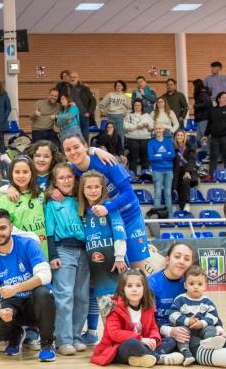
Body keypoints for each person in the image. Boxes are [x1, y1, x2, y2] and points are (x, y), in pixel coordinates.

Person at [61, 134, 149, 271]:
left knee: (137, 269)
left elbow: (130, 195)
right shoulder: (71, 171)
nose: (72, 152)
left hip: (129, 217)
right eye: (68, 150)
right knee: (111, 270)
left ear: (85, 146)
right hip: (104, 223)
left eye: (76, 147)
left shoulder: (107, 161)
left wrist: (108, 208)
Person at [0, 209, 56, 361]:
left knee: (44, 293)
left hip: (34, 302)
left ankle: (47, 344)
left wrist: (16, 288)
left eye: (3, 228)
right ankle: (15, 335)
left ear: (11, 227)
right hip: (12, 304)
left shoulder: (28, 244)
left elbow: (45, 275)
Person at [148, 242, 226, 368]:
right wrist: (168, 331)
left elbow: (205, 307)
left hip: (190, 329)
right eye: (177, 256)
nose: (181, 261)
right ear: (167, 260)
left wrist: (218, 327)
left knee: (208, 335)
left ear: (191, 264)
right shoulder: (152, 283)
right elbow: (144, 320)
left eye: (186, 258)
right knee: (187, 342)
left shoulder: (191, 282)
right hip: (162, 332)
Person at [78, 170, 128, 343]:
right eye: (88, 187)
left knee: (122, 306)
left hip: (115, 268)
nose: (93, 191)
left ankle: (126, 339)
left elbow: (119, 232)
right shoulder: (81, 213)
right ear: (82, 189)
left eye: (96, 187)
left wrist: (120, 256)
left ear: (103, 188)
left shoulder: (109, 208)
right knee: (105, 309)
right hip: (97, 273)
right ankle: (114, 340)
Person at [45, 163, 87, 356]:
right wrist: (53, 255)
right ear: (55, 182)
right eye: (61, 178)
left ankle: (77, 336)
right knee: (64, 296)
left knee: (81, 296)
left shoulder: (81, 199)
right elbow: (50, 232)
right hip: (63, 250)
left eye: (69, 176)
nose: (66, 181)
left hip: (84, 251)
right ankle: (63, 340)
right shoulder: (52, 203)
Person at [90, 270, 165, 367]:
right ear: (122, 289)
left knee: (169, 340)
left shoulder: (148, 307)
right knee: (132, 343)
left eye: (138, 286)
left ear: (144, 288)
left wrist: (154, 339)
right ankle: (160, 358)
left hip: (143, 344)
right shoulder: (114, 307)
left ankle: (139, 359)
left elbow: (153, 327)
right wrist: (141, 339)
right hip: (117, 348)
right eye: (129, 286)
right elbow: (115, 333)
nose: (134, 289)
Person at [168, 265, 226, 366]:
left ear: (205, 286)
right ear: (185, 285)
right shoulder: (180, 299)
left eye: (200, 284)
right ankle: (186, 353)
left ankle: (210, 343)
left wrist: (202, 323)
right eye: (191, 283)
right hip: (187, 330)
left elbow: (213, 316)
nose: (195, 286)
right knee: (182, 332)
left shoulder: (208, 301)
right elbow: (173, 315)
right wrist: (187, 321)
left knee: (211, 328)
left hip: (201, 329)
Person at [0, 158, 47, 255]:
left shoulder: (41, 194)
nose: (21, 176)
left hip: (43, 250)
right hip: (20, 252)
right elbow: (5, 228)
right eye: (17, 172)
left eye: (25, 172)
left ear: (32, 173)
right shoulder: (3, 200)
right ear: (11, 173)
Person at [149, 123, 176, 214]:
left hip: (169, 170)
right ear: (154, 130)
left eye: (160, 129)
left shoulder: (168, 141)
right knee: (157, 193)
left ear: (163, 129)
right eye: (156, 129)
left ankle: (169, 213)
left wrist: (159, 155)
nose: (158, 130)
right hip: (157, 170)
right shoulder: (151, 142)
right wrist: (165, 155)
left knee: (168, 193)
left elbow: (172, 155)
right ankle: (157, 214)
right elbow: (151, 157)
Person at [125, 100, 154, 178]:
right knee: (133, 159)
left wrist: (147, 126)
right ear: (133, 106)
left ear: (142, 106)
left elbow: (152, 127)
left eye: (139, 105)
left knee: (145, 158)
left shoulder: (147, 115)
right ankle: (132, 176)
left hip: (145, 138)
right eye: (135, 105)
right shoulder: (129, 115)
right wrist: (136, 127)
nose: (137, 107)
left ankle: (146, 175)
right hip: (132, 138)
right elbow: (125, 126)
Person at [64, 72, 96, 139]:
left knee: (84, 137)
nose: (72, 79)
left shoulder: (84, 88)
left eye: (74, 77)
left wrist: (89, 112)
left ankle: (85, 149)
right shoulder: (65, 88)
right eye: (71, 77)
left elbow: (93, 100)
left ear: (78, 78)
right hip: (71, 117)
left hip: (83, 116)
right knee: (73, 137)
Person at [172, 130, 198, 211]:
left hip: (187, 171)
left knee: (185, 182)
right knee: (178, 189)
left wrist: (187, 171)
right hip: (176, 172)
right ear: (175, 137)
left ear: (184, 137)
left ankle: (186, 205)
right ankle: (181, 210)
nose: (179, 137)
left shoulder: (191, 147)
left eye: (181, 135)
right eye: (177, 135)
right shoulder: (173, 148)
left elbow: (192, 160)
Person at [192, 79, 213, 151]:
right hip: (200, 118)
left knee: (204, 137)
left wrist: (196, 106)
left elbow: (208, 104)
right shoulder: (202, 94)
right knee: (199, 137)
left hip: (204, 118)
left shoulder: (203, 94)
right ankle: (205, 152)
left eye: (194, 86)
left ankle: (208, 153)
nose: (193, 88)